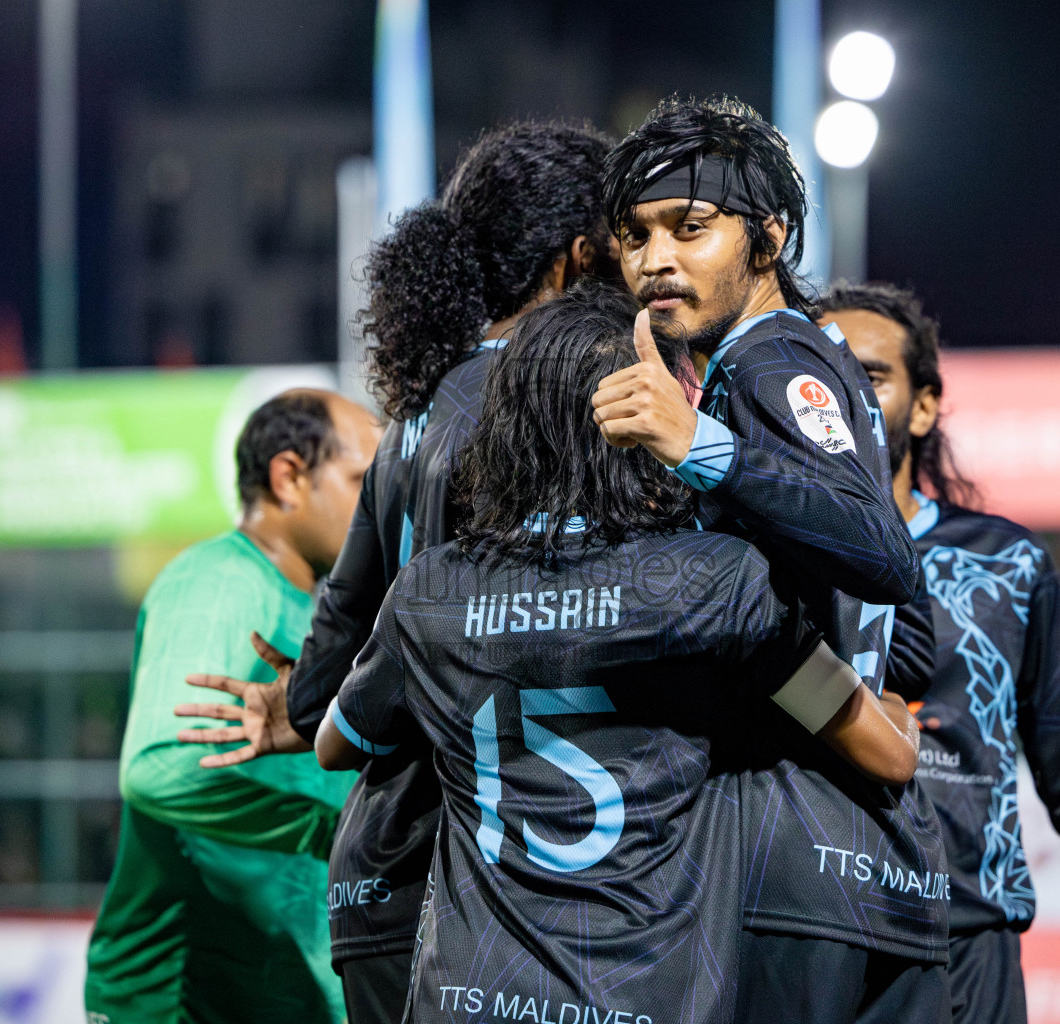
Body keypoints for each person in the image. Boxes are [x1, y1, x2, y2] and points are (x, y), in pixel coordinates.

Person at [314, 282, 923, 1023]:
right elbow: (886, 755)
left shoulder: (431, 587)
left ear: (509, 423)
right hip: (645, 998)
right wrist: (897, 713)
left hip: (468, 995)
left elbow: (337, 744)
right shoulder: (715, 579)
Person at [174, 120, 616, 1023]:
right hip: (503, 884)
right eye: (625, 248)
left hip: (378, 877)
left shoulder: (411, 423)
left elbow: (332, 679)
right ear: (577, 261)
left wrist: (297, 705)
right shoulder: (580, 409)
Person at [589, 96, 950, 1022]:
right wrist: (877, 715)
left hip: (787, 864)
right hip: (864, 862)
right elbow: (909, 628)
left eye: (692, 228)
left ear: (770, 237)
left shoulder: (766, 362)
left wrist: (696, 448)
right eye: (635, 236)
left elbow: (880, 553)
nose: (656, 260)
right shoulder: (800, 359)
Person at [821, 280, 1060, 1024]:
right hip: (810, 931)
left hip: (967, 942)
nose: (847, 394)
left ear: (924, 405)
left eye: (873, 375)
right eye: (824, 374)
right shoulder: (751, 552)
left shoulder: (1009, 564)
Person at [85, 389, 380, 1024]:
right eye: (363, 479)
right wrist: (334, 833)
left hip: (277, 995)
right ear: (289, 478)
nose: (382, 501)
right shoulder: (220, 582)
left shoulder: (322, 611)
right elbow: (160, 768)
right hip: (186, 1004)